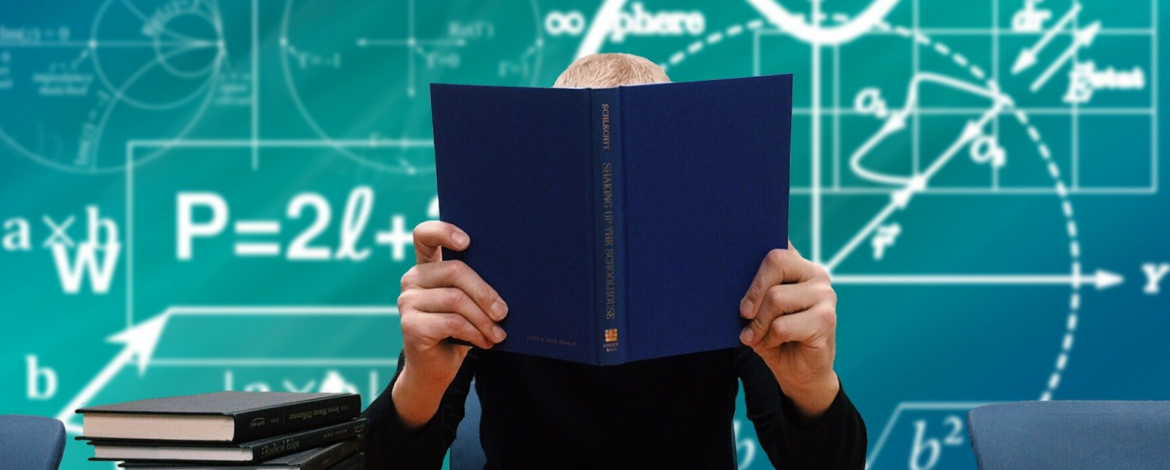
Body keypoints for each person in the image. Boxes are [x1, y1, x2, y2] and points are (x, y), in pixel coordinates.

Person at [363, 53, 867, 470]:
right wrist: (420, 382)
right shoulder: (484, 260)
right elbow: (384, 462)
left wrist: (812, 387)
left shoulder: (730, 262)